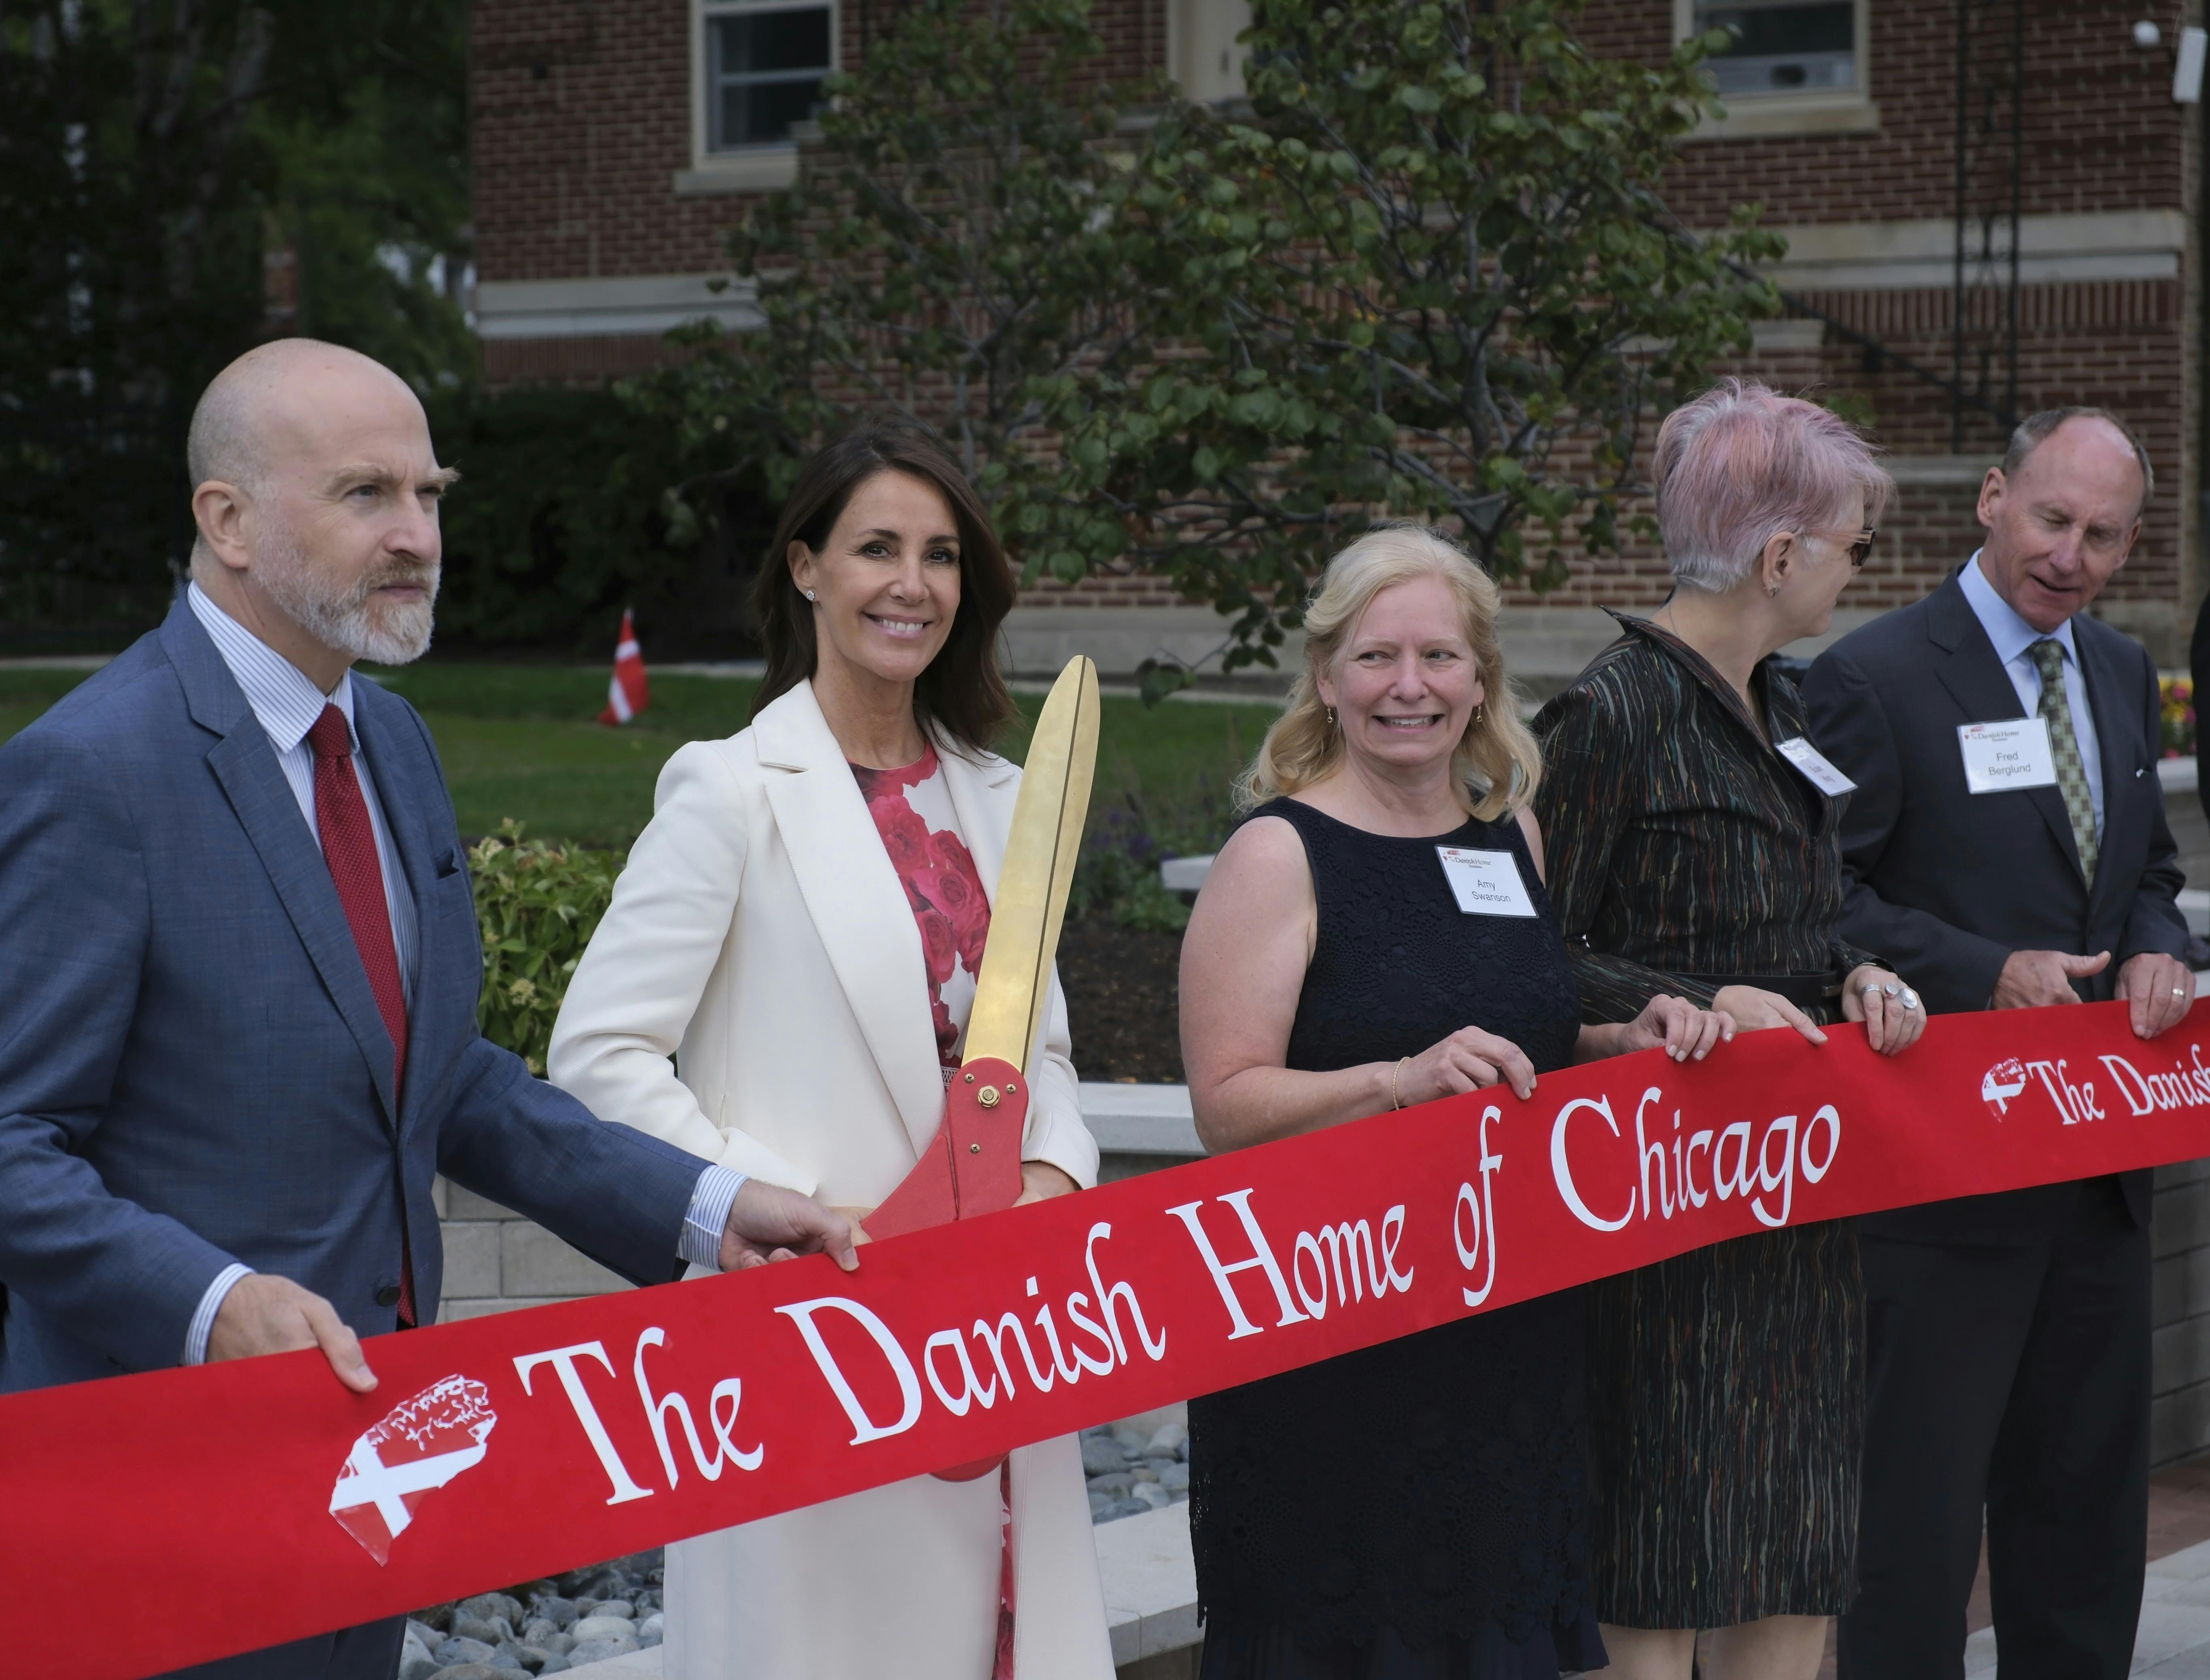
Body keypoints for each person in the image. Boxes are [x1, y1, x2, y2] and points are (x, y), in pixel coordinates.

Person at [0, 339, 856, 1680]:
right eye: (366, 496)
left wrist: (704, 1204)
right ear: (225, 523)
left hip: (380, 1474)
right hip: (157, 1499)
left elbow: (439, 1079)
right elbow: (11, 1144)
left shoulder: (390, 741)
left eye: (431, 493)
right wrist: (212, 1300)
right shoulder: (93, 772)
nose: (419, 537)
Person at [547, 421, 1111, 1680]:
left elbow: (1050, 1057)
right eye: (876, 548)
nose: (912, 584)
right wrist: (762, 1199)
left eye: (941, 556)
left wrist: (1051, 1183)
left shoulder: (1009, 797)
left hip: (1003, 1324)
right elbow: (598, 1053)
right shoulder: (731, 787)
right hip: (815, 1333)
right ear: (806, 568)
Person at [1178, 524, 1736, 1680]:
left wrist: (1616, 1039)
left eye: (1440, 656)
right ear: (1327, 679)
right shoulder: (1277, 855)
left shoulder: (1510, 835)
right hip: (1332, 1345)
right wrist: (1397, 1082)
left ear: (1480, 678)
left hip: (1504, 1341)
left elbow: (1517, 1040)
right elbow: (1225, 1104)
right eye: (1377, 657)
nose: (1410, 686)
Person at [1533, 380, 1924, 1680]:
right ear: (1780, 555)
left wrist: (1859, 973)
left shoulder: (1791, 707)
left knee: (1802, 1552)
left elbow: (1811, 922)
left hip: (1800, 1216)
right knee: (1661, 1562)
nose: (1856, 573)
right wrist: (1688, 1001)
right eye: (1855, 546)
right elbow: (1536, 963)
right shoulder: (1613, 714)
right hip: (1667, 1222)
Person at [1802, 406, 2193, 1680]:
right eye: (2051, 517)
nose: (2070, 554)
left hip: (2097, 1184)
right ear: (1990, 498)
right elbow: (1820, 907)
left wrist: (2158, 947)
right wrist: (1985, 972)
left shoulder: (2125, 673)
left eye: (2103, 534)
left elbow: (2150, 870)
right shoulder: (1872, 675)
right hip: (1942, 1193)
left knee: (2083, 1524)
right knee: (1911, 1537)